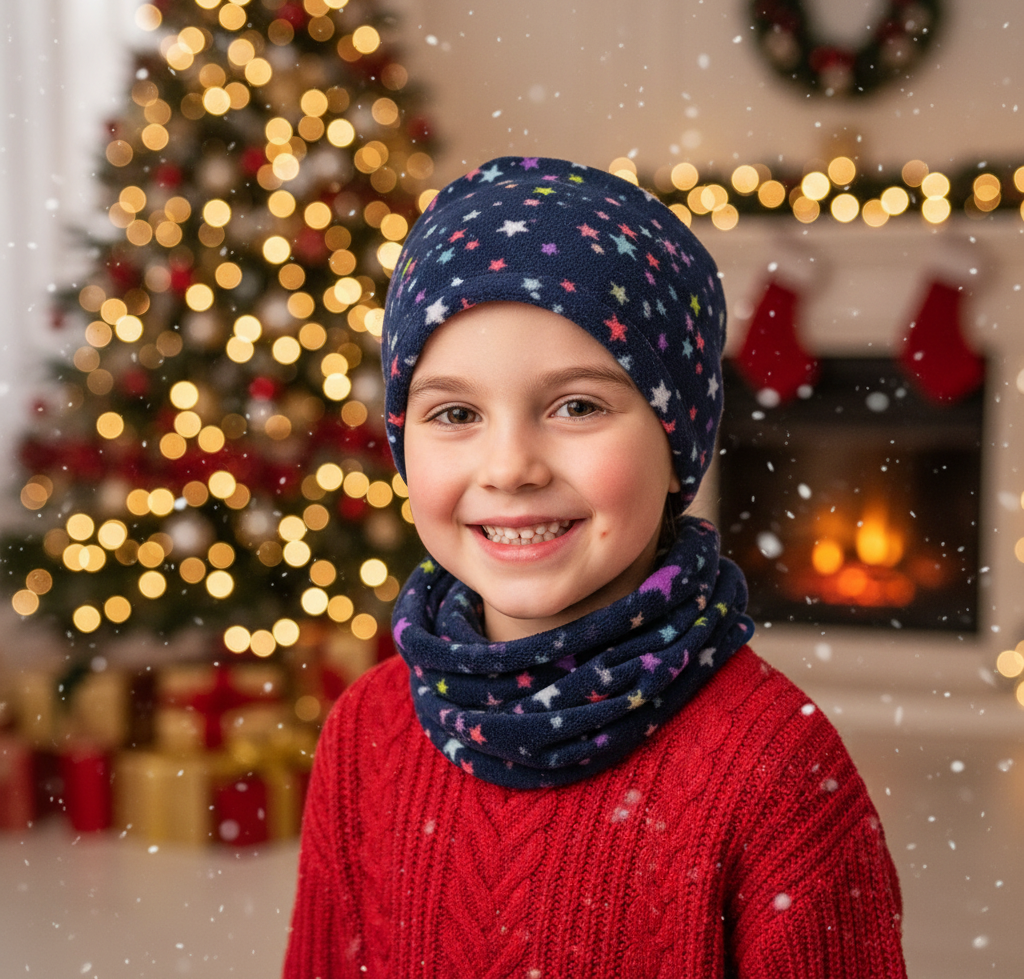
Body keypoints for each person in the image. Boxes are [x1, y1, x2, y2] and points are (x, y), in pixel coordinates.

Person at [282, 156, 907, 977]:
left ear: (677, 439)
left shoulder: (777, 776)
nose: (511, 467)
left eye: (576, 405)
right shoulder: (366, 732)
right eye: (455, 413)